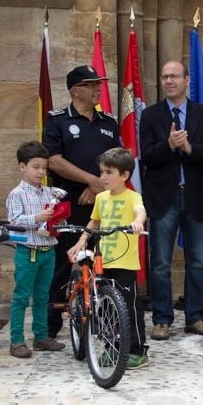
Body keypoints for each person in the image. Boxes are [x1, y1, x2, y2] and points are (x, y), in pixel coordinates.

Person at [140, 61, 203, 340]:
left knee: (198, 261)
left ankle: (195, 316)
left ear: (187, 80)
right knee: (161, 263)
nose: (169, 81)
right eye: (165, 76)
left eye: (174, 76)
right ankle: (162, 319)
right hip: (164, 197)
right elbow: (147, 155)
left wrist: (190, 148)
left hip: (196, 196)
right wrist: (169, 145)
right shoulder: (150, 115)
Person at [43, 65, 121, 339]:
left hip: (103, 204)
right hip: (68, 205)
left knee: (105, 264)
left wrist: (98, 188)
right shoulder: (57, 120)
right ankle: (50, 327)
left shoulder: (109, 122)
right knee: (62, 264)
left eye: (98, 84)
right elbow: (54, 161)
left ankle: (108, 322)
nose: (98, 88)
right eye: (91, 84)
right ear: (76, 90)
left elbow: (118, 161)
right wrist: (91, 180)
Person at [67, 148, 149, 369]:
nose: (103, 177)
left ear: (124, 175)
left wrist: (137, 222)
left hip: (124, 262)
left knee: (129, 306)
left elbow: (140, 211)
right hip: (103, 261)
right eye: (101, 172)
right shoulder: (101, 198)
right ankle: (112, 346)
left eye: (109, 172)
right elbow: (94, 221)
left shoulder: (132, 196)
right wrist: (82, 240)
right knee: (104, 306)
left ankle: (137, 350)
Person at [5, 142, 67, 358]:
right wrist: (36, 218)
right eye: (36, 167)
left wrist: (59, 219)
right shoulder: (17, 194)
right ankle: (16, 341)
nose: (41, 172)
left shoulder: (49, 193)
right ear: (22, 167)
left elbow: (54, 220)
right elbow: (13, 222)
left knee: (42, 296)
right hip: (27, 251)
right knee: (22, 296)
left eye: (44, 168)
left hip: (48, 251)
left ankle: (41, 336)